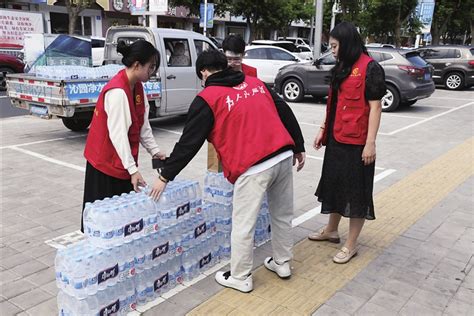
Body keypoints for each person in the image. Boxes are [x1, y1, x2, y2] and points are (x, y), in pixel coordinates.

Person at [149, 49, 305, 293]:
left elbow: (189, 144)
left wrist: (164, 176)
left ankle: (241, 276)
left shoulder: (208, 98)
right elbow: (284, 110)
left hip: (254, 167)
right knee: (282, 215)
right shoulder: (255, 83)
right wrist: (299, 145)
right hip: (283, 155)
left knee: (243, 224)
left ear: (203, 72)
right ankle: (282, 263)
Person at [309, 22, 385, 264]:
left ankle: (351, 245)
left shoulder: (370, 68)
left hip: (357, 142)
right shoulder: (343, 65)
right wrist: (323, 129)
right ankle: (332, 230)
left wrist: (370, 143)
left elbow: (375, 107)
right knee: (335, 184)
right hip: (336, 137)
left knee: (356, 193)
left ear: (347, 43)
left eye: (334, 46)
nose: (331, 50)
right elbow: (334, 102)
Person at [81, 40, 165, 232]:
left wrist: (155, 151)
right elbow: (118, 135)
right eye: (150, 67)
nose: (152, 72)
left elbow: (143, 125)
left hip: (122, 162)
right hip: (104, 163)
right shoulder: (118, 91)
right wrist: (132, 170)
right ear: (137, 65)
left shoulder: (137, 87)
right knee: (103, 220)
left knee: (121, 219)